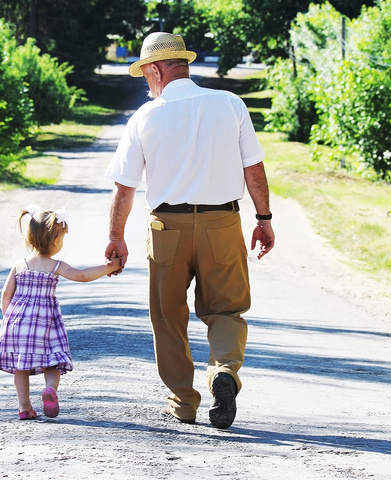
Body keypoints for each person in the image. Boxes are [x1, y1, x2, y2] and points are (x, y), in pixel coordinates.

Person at [105, 32, 275, 429]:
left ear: (155, 69)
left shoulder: (145, 117)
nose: (146, 82)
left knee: (167, 316)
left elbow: (124, 187)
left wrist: (116, 236)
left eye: (145, 74)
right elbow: (254, 168)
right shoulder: (230, 104)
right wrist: (263, 219)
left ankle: (183, 401)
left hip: (167, 228)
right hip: (223, 222)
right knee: (226, 310)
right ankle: (223, 372)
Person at [0, 204, 121, 420]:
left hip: (17, 323)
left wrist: (7, 321)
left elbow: (6, 294)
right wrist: (110, 267)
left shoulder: (19, 265)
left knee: (20, 368)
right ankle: (50, 388)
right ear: (56, 241)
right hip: (45, 323)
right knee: (52, 360)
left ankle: (24, 408)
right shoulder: (56, 265)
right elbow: (82, 275)